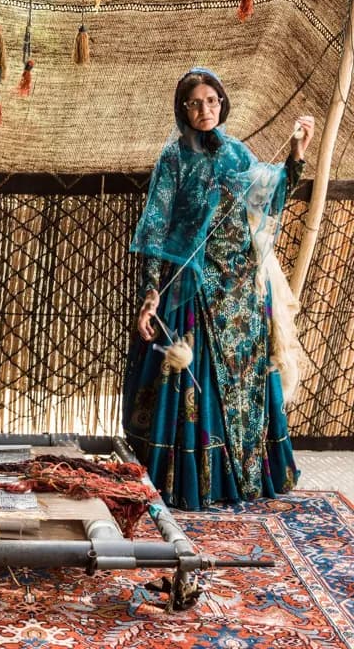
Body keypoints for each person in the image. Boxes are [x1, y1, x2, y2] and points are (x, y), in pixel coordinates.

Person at [122, 67, 314, 511]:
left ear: (222, 104)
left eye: (211, 101)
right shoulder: (173, 160)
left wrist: (294, 154)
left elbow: (271, 198)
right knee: (193, 381)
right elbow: (155, 229)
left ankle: (245, 477)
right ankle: (197, 484)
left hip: (242, 291)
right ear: (182, 109)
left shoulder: (236, 154)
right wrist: (151, 294)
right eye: (194, 103)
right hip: (192, 286)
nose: (204, 109)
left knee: (246, 382)